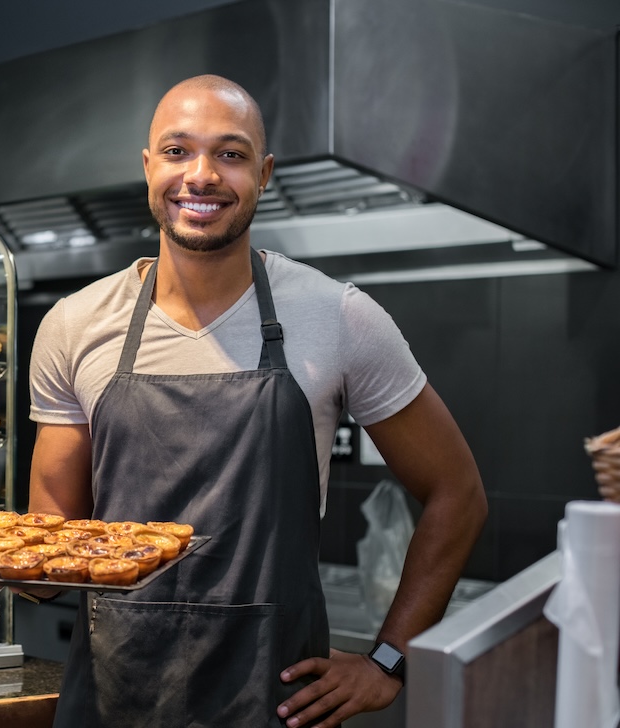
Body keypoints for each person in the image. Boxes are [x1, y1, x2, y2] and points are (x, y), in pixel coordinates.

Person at [26, 74, 487, 727]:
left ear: (264, 173)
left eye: (231, 154)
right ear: (148, 166)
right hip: (111, 701)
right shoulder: (75, 326)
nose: (202, 175)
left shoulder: (340, 318)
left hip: (274, 704)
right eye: (179, 151)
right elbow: (49, 549)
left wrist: (389, 660)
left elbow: (458, 493)